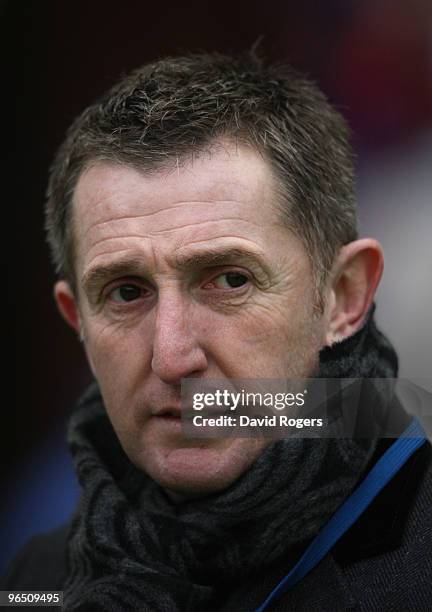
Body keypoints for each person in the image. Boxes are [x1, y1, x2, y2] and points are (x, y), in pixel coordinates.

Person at [4, 52, 431, 610]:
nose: (172, 356)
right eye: (127, 292)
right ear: (77, 322)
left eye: (229, 280)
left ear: (343, 296)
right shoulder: (37, 577)